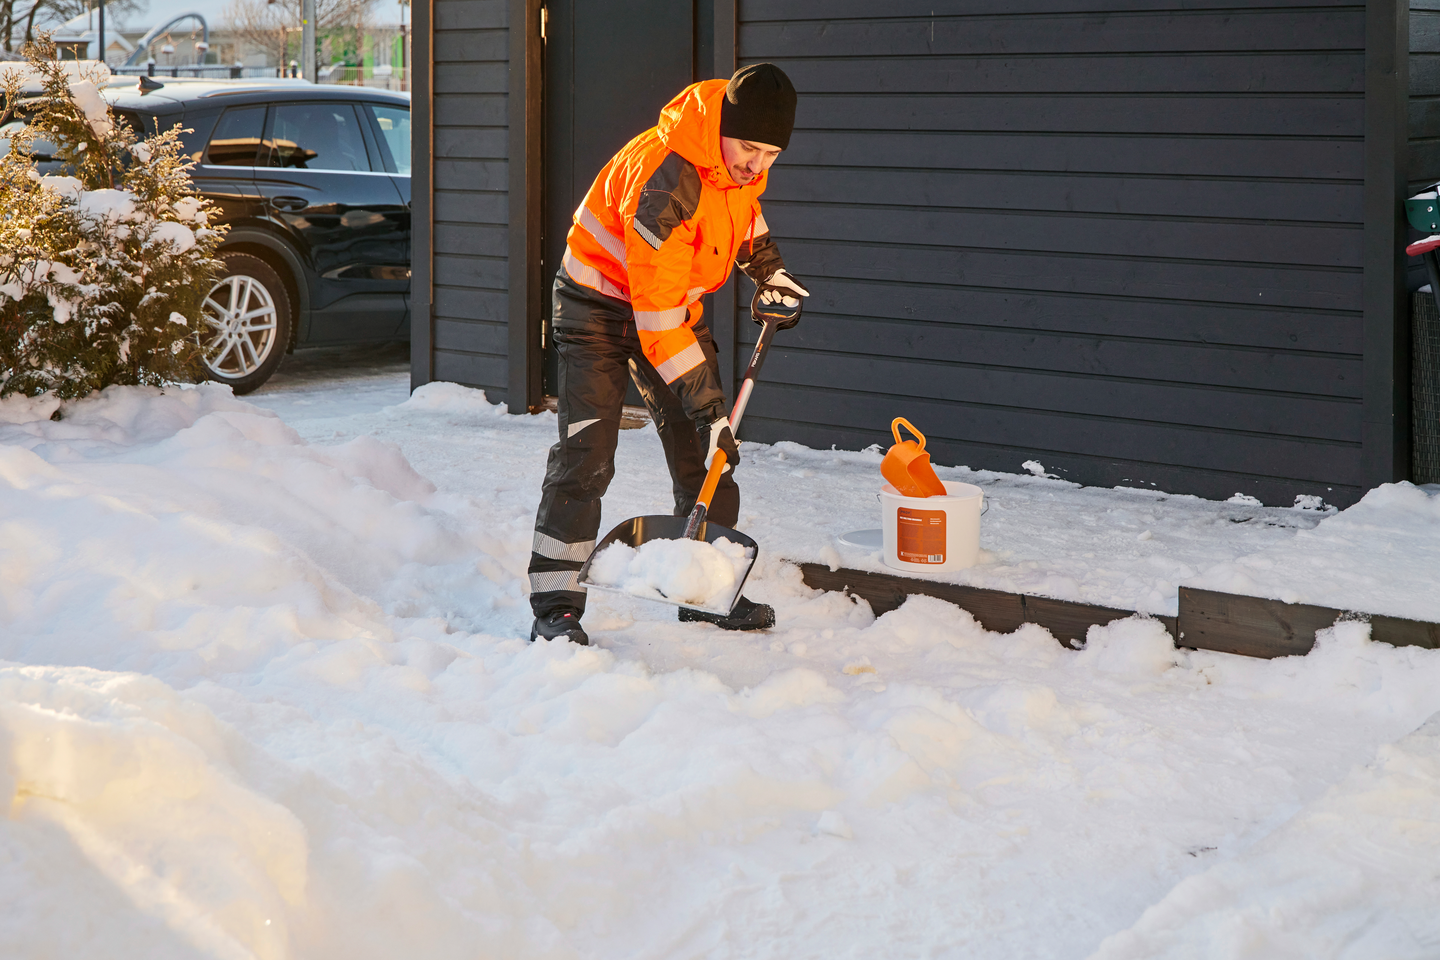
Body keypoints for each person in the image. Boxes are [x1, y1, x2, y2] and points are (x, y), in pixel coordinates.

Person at [527, 63, 811, 646]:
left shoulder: (732, 163)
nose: (757, 165)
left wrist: (769, 270)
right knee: (588, 454)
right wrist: (711, 412)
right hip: (597, 308)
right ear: (724, 129)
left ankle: (706, 590)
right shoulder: (668, 177)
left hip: (667, 309)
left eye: (770, 155)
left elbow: (741, 216)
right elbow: (655, 322)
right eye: (750, 149)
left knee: (710, 459)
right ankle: (555, 604)